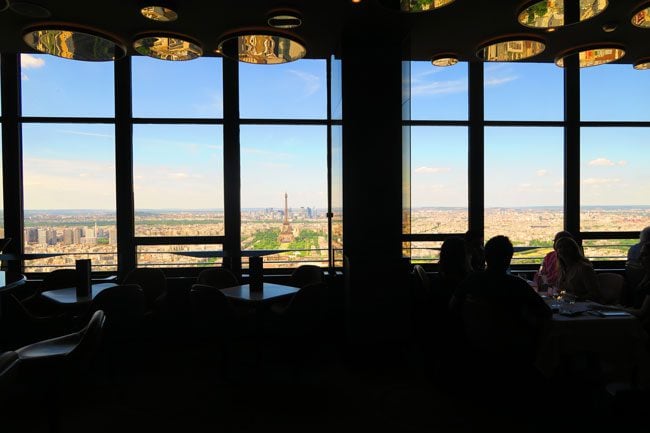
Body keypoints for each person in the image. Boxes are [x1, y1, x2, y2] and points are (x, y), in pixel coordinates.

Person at [450, 235, 552, 362]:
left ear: (485, 257)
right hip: (513, 349)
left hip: (475, 346)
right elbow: (545, 313)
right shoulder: (518, 285)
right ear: (509, 259)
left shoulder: (470, 281)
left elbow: (453, 307)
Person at [555, 236, 599, 301]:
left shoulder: (584, 268)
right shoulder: (562, 268)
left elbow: (595, 294)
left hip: (585, 305)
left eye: (566, 247)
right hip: (570, 304)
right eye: (559, 247)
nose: (562, 250)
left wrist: (577, 300)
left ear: (574, 249)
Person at [621, 241, 650, 330]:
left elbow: (642, 312)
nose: (639, 258)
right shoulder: (646, 275)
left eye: (644, 255)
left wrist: (618, 309)